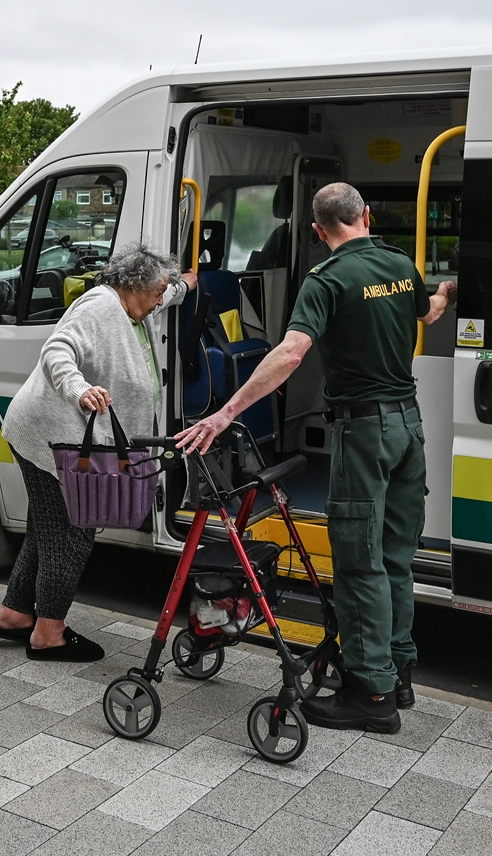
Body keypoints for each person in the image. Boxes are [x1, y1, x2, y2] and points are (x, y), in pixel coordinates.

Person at [178, 182, 454, 733]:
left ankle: (370, 696)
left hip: (365, 433)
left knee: (358, 563)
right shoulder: (400, 264)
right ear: (367, 216)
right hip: (408, 427)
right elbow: (429, 314)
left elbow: (292, 351)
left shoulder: (326, 280)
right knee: (397, 557)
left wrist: (225, 413)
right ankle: (398, 674)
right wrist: (447, 290)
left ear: (317, 230)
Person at [0, 245, 196, 661]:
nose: (160, 300)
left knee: (47, 528)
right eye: (157, 291)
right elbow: (57, 350)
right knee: (72, 532)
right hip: (52, 437)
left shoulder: (135, 307)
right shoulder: (100, 307)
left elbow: (165, 294)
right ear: (134, 285)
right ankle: (49, 634)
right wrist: (79, 389)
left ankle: (14, 616)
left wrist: (185, 284)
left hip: (57, 439)